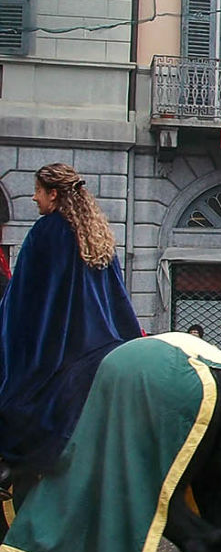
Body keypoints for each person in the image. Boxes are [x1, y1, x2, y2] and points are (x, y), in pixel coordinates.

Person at [0, 163, 142, 481]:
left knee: (14, 402)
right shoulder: (98, 235)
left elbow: (22, 303)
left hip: (66, 357)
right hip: (106, 347)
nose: (34, 199)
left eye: (38, 191)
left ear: (53, 194)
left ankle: (12, 464)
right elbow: (118, 300)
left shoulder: (46, 230)